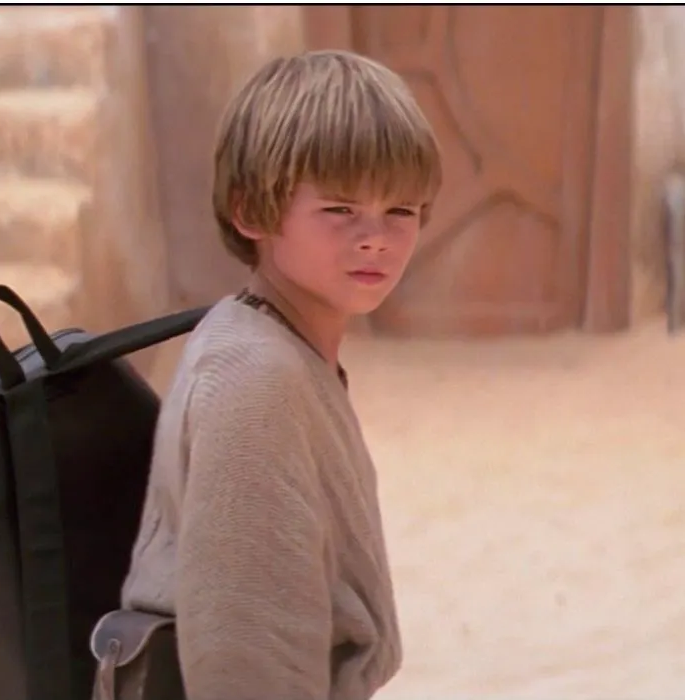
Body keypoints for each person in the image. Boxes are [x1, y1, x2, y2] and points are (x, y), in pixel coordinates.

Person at [118, 48, 442, 700]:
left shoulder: (279, 346)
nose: (375, 237)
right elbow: (246, 666)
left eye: (400, 210)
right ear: (252, 212)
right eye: (340, 209)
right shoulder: (256, 381)